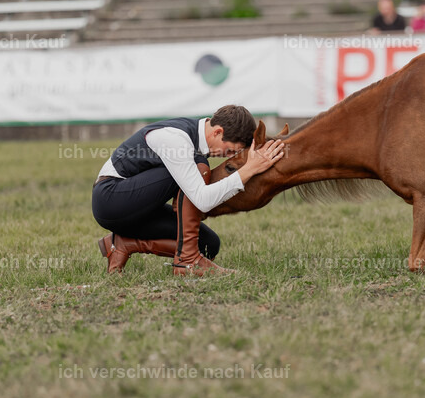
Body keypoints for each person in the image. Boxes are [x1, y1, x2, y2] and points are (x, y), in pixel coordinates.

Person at [92, 105, 285, 276]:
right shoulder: (176, 139)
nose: (227, 156)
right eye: (229, 151)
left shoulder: (194, 139)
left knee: (208, 244)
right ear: (217, 132)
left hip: (139, 208)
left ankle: (124, 244)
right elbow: (203, 200)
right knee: (198, 163)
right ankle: (188, 261)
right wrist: (250, 169)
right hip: (111, 200)